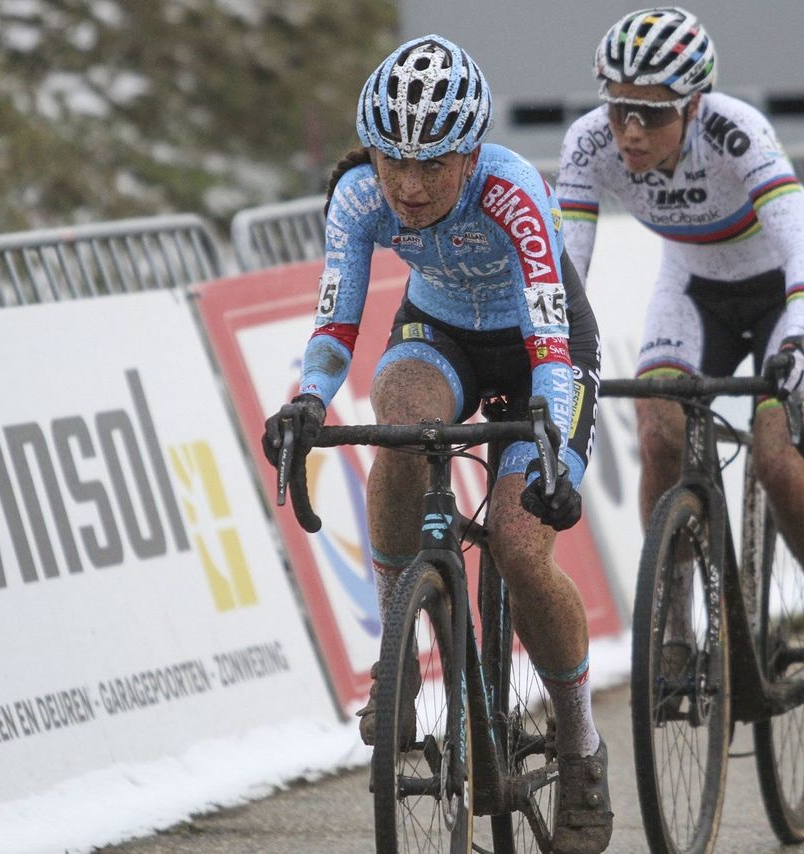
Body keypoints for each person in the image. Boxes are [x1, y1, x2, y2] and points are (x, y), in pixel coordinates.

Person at [261, 35, 612, 852]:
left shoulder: (514, 190)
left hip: (539, 349)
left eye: (433, 167)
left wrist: (552, 449)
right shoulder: (357, 195)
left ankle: (581, 744)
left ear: (471, 155)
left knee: (525, 556)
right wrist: (308, 400)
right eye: (394, 165)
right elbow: (335, 322)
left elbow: (554, 349)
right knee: (398, 426)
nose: (410, 188)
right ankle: (400, 655)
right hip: (440, 331)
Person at [556, 7, 804, 726]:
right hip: (692, 287)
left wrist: (799, 341)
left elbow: (803, 253)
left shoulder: (736, 132)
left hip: (787, 290)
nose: (630, 130)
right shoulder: (589, 143)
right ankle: (678, 630)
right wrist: (549, 352)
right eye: (620, 106)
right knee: (658, 434)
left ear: (693, 106)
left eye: (652, 114)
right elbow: (567, 270)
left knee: (780, 463)